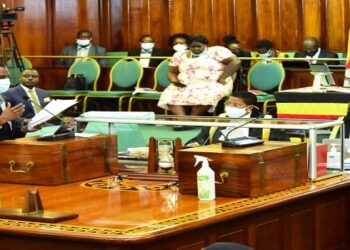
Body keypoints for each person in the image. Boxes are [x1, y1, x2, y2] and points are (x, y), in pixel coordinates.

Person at [158, 34, 241, 117]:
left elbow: (235, 62)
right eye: (193, 47)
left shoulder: (216, 51)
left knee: (208, 93)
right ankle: (182, 119)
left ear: (205, 44)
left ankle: (193, 118)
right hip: (186, 83)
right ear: (188, 46)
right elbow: (171, 72)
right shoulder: (180, 55)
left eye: (199, 46)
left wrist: (223, 77)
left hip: (214, 83)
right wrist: (175, 81)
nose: (196, 49)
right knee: (169, 93)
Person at [185, 91, 289, 147]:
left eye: (236, 105)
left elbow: (281, 145)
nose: (230, 107)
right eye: (229, 103)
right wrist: (194, 144)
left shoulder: (266, 122)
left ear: (250, 108)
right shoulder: (220, 119)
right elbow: (202, 138)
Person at [0, 65, 37, 140]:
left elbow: (9, 130)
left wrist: (25, 129)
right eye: (1, 77)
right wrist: (1, 120)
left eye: (7, 77)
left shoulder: (3, 99)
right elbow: (3, 120)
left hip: (9, 144)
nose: (5, 80)